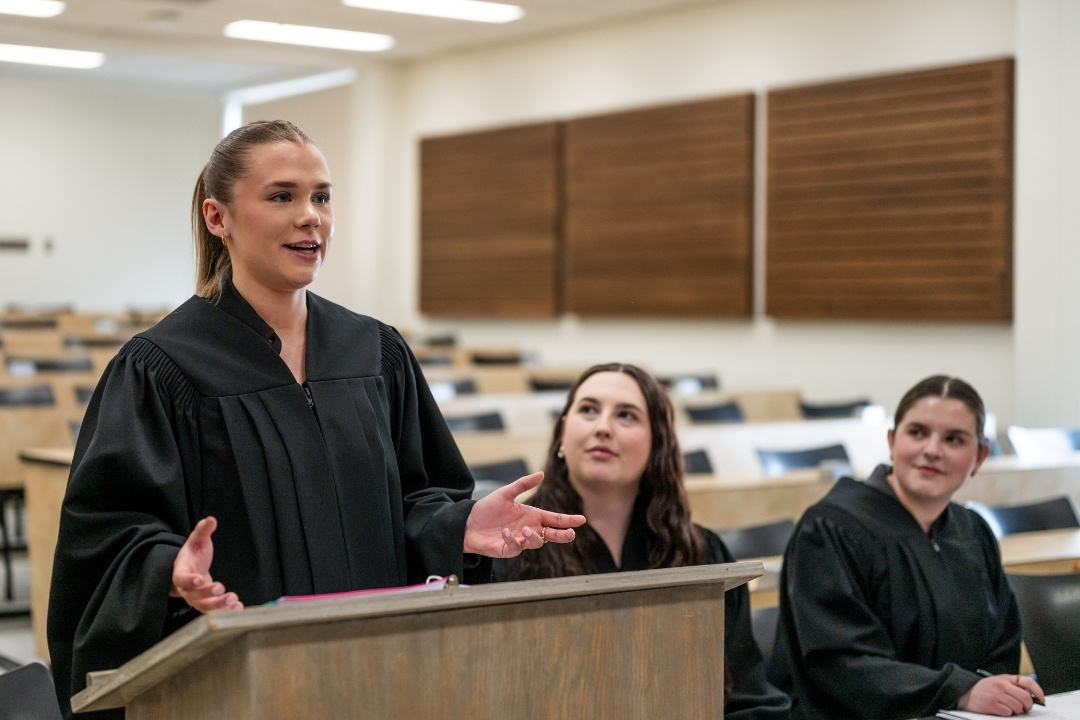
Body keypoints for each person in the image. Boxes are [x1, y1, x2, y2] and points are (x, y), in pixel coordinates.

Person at [47, 120, 584, 719]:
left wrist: (456, 524)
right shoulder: (163, 369)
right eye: (282, 197)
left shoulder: (375, 353)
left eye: (322, 197)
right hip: (232, 687)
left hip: (374, 675)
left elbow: (413, 498)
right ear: (217, 217)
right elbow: (107, 534)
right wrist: (166, 569)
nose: (311, 216)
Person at [495, 363, 791, 720]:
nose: (603, 427)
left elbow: (746, 695)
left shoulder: (703, 553)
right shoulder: (514, 548)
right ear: (561, 434)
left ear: (656, 443)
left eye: (626, 416)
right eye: (588, 410)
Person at [767, 375, 1046, 720]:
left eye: (954, 439)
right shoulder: (830, 530)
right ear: (891, 440)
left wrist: (990, 692)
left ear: (980, 457)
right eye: (917, 433)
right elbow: (840, 661)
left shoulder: (972, 532)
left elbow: (1000, 647)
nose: (932, 450)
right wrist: (960, 691)